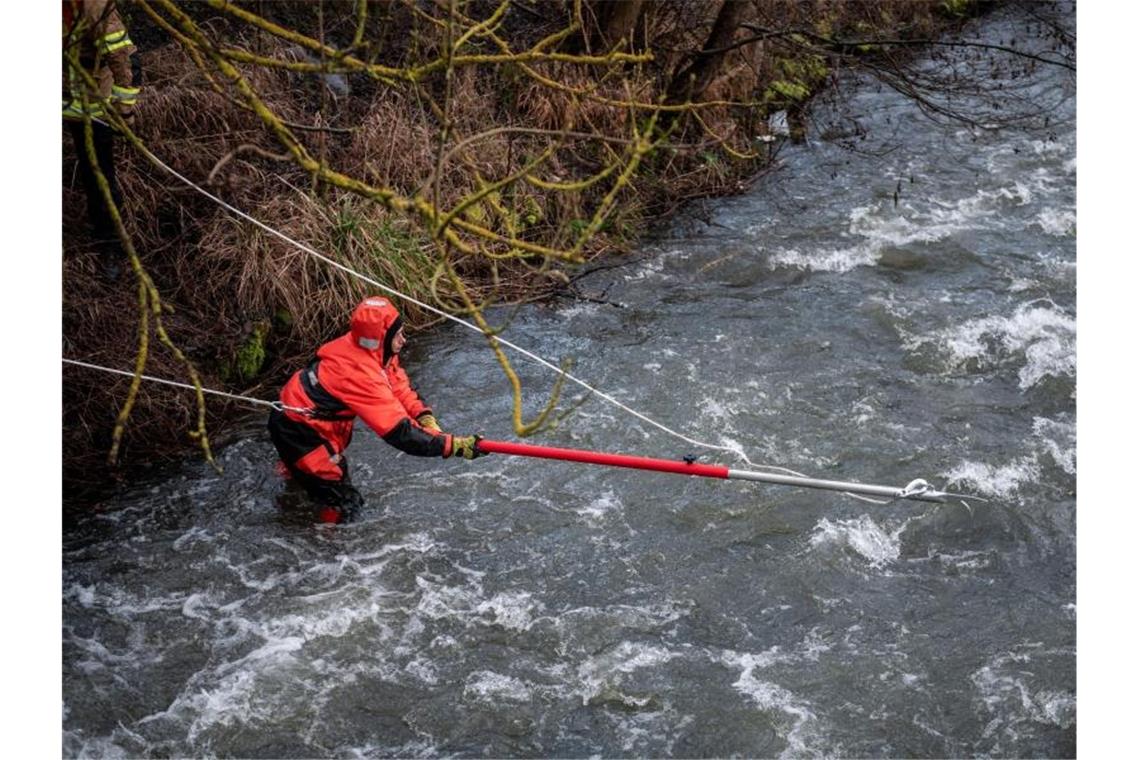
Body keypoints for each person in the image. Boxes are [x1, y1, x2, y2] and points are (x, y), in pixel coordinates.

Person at [268, 296, 487, 523]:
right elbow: (400, 433)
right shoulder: (360, 374)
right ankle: (325, 550)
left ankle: (294, 482)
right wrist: (455, 446)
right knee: (346, 504)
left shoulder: (367, 348)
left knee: (308, 479)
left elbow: (399, 385)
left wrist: (424, 416)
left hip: (307, 420)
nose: (404, 339)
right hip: (301, 432)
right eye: (399, 334)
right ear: (382, 338)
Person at [63, 0, 143, 282]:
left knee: (98, 177)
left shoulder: (95, 6)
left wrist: (123, 113)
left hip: (92, 107)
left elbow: (125, 59)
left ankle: (110, 246)